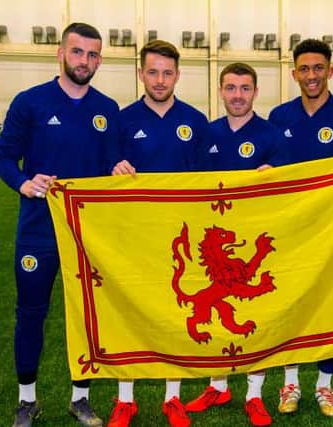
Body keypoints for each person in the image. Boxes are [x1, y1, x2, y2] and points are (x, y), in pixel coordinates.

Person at [0, 22, 119, 427]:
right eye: (78, 52)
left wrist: (117, 169)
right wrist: (24, 182)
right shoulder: (29, 102)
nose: (86, 61)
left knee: (86, 317)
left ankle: (80, 398)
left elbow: (109, 166)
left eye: (93, 54)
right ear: (60, 53)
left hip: (86, 236)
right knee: (30, 312)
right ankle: (26, 401)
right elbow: (3, 157)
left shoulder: (107, 109)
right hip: (38, 231)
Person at [268, 38, 333, 418]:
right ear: (294, 73)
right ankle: (291, 382)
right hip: (290, 229)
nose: (311, 76)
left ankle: (324, 387)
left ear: (331, 71)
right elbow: (271, 167)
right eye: (304, 69)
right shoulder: (279, 117)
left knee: (328, 306)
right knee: (290, 303)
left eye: (318, 68)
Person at [107, 39, 209, 427]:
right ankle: (125, 398)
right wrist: (113, 167)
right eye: (153, 72)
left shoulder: (196, 122)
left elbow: (211, 179)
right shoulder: (122, 120)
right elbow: (102, 172)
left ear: (178, 75)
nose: (161, 80)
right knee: (129, 311)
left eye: (168, 73)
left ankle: (172, 397)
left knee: (174, 315)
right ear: (141, 74)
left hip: (180, 241)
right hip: (134, 236)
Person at [184, 62, 287, 427]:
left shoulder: (273, 135)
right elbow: (189, 184)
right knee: (215, 313)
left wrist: (274, 175)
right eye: (231, 88)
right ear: (220, 91)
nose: (238, 95)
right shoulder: (206, 133)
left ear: (256, 92)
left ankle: (254, 394)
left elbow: (291, 188)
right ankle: (217, 385)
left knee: (253, 316)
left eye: (245, 88)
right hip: (214, 240)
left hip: (251, 242)